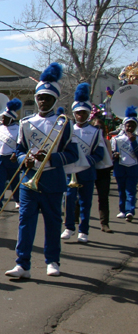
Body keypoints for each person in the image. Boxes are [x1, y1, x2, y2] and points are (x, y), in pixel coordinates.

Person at [6, 63, 78, 279]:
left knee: (53, 222)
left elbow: (72, 154)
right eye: (40, 97)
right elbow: (19, 150)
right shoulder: (25, 123)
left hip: (53, 178)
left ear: (55, 100)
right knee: (25, 222)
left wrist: (49, 158)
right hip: (29, 178)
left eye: (47, 98)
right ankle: (23, 264)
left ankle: (52, 261)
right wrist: (24, 159)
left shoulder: (64, 123)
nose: (42, 101)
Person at [61, 84, 105, 243]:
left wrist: (87, 161)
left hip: (87, 171)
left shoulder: (96, 132)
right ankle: (69, 227)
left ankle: (83, 231)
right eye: (78, 113)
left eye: (84, 113)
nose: (80, 116)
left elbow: (99, 154)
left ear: (88, 114)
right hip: (71, 172)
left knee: (86, 202)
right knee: (69, 201)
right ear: (74, 113)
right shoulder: (68, 129)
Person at [0, 100, 22, 212]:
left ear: (12, 118)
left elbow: (21, 145)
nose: (3, 120)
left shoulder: (19, 128)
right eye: (3, 118)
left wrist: (16, 153)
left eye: (5, 118)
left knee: (15, 182)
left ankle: (18, 201)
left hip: (12, 159)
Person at [112, 106, 138, 222]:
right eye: (128, 125)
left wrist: (134, 142)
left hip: (133, 167)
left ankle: (130, 211)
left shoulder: (137, 139)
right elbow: (112, 154)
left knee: (131, 190)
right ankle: (122, 210)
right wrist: (115, 155)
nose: (130, 128)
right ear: (124, 126)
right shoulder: (117, 139)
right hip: (120, 167)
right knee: (121, 190)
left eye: (132, 126)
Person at [91, 116, 114, 232]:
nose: (98, 129)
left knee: (103, 198)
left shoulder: (106, 141)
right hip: (90, 169)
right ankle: (76, 220)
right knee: (82, 196)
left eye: (100, 127)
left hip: (103, 171)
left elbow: (109, 157)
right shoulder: (89, 139)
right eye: (96, 127)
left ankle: (105, 223)